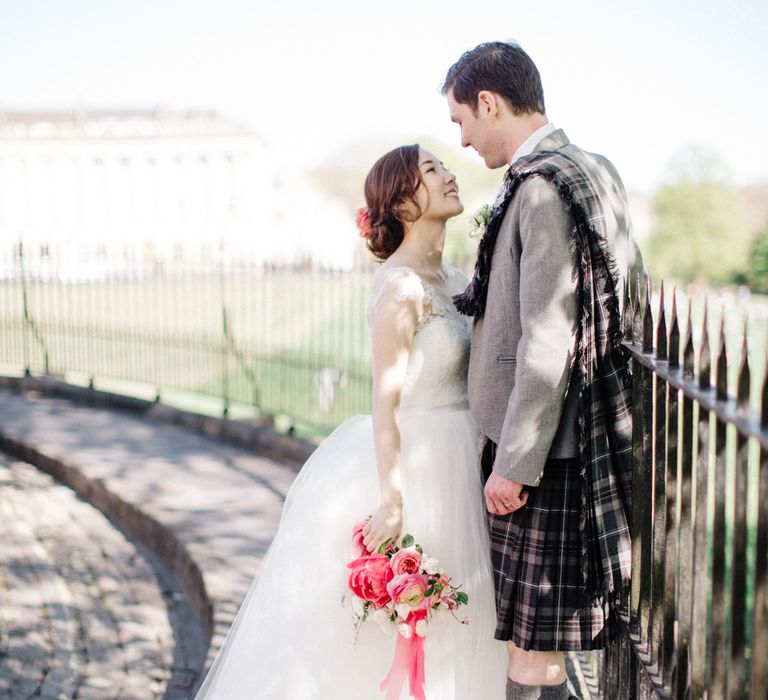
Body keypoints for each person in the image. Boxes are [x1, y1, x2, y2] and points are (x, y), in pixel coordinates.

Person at [194, 144, 507, 699]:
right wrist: (391, 500)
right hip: (416, 465)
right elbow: (385, 402)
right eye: (432, 170)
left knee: (465, 622)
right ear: (404, 203)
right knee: (406, 630)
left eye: (442, 165)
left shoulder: (456, 278)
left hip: (463, 459)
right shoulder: (399, 289)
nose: (449, 173)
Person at [442, 42, 645, 700]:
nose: (463, 138)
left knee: (532, 657)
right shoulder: (593, 168)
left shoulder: (538, 188)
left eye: (462, 120)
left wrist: (515, 463)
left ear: (489, 103)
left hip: (545, 458)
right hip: (576, 437)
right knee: (540, 651)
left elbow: (548, 334)